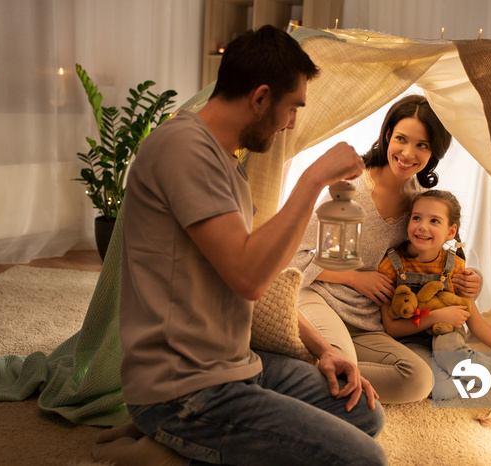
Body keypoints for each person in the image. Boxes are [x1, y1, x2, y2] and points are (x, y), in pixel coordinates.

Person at [100, 25, 388, 466]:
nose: (292, 122)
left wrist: (324, 349)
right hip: (183, 387)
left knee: (365, 415)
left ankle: (174, 446)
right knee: (363, 460)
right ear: (260, 98)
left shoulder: (227, 166)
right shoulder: (183, 148)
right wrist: (314, 179)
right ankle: (157, 445)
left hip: (235, 365)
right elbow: (248, 277)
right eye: (292, 108)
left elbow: (249, 280)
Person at [290, 94, 482, 404]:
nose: (408, 153)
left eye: (422, 145)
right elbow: (295, 259)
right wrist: (354, 277)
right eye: (402, 139)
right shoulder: (350, 189)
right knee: (344, 364)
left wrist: (472, 281)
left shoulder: (419, 204)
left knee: (420, 380)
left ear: (434, 152)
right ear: (387, 135)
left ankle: (316, 373)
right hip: (320, 299)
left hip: (368, 320)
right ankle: (309, 374)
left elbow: (431, 259)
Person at [379, 190, 491, 400]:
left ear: (451, 231)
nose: (423, 226)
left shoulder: (455, 266)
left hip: (447, 334)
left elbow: (476, 324)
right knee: (441, 389)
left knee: (447, 349)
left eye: (434, 220)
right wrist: (436, 316)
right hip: (410, 339)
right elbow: (392, 328)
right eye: (417, 218)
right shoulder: (391, 264)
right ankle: (464, 368)